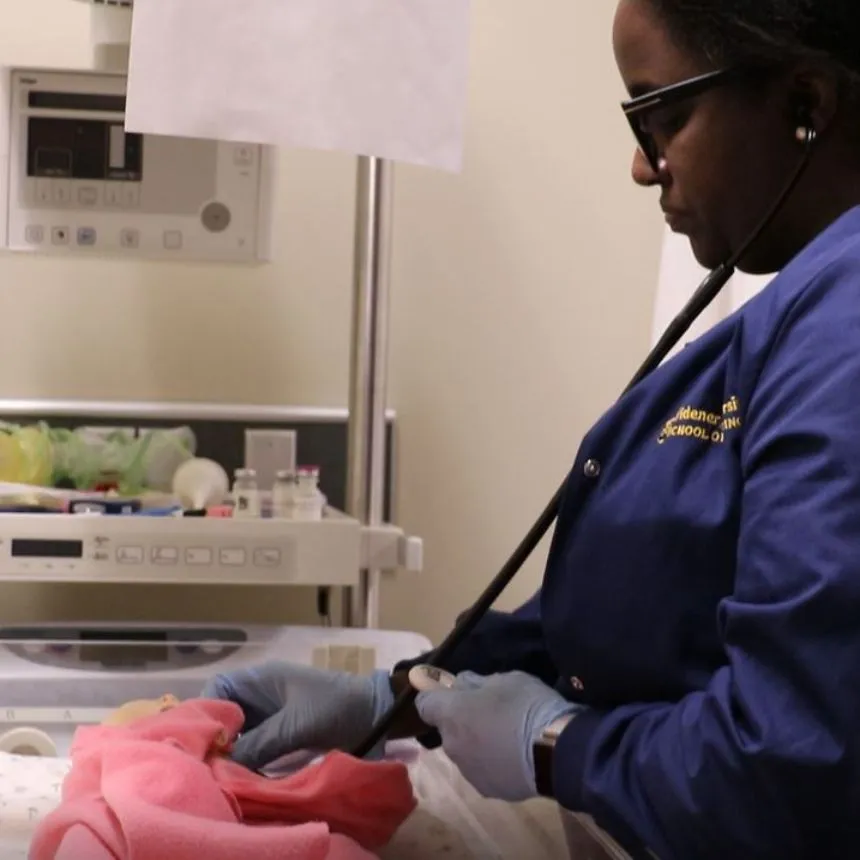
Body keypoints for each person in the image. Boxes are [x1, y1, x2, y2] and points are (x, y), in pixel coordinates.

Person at [202, 1, 860, 857]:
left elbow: (791, 767)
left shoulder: (843, 331)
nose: (641, 165)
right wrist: (398, 691)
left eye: (661, 116)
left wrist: (555, 745)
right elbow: (638, 612)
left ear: (804, 103)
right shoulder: (796, 315)